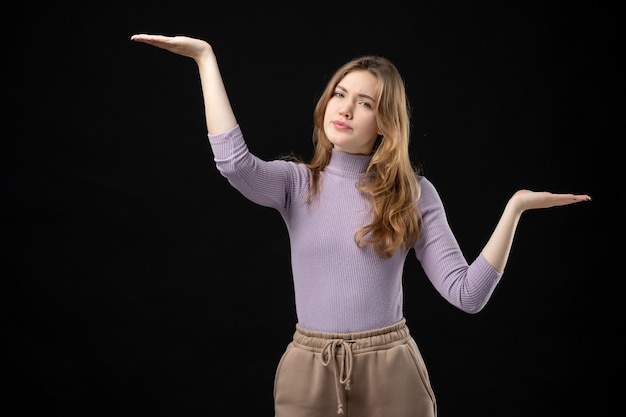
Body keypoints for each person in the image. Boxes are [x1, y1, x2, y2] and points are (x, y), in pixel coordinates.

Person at [130, 34, 591, 417]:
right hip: (308, 367)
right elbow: (233, 163)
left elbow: (467, 294)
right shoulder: (296, 183)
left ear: (386, 123)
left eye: (365, 102)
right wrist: (205, 58)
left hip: (391, 368)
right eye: (339, 93)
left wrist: (513, 210)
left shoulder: (412, 193)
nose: (345, 109)